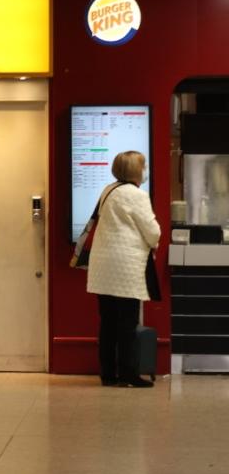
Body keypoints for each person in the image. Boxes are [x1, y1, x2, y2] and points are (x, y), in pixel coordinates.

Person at [87, 151, 161, 388]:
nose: (145, 170)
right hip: (125, 265)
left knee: (107, 322)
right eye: (144, 166)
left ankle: (108, 375)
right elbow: (152, 231)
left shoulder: (108, 190)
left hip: (102, 264)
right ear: (136, 170)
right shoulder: (137, 195)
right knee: (127, 323)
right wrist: (155, 242)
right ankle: (129, 374)